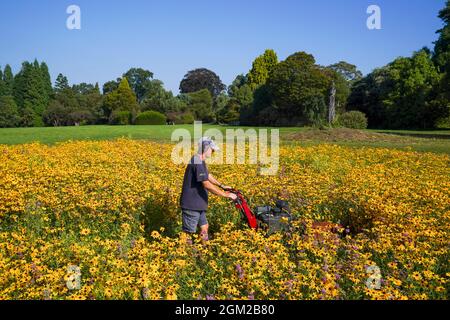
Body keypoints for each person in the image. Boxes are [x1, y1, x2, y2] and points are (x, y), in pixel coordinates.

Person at [180, 137, 237, 241]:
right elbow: (206, 184)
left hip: (199, 203)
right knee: (188, 233)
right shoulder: (197, 161)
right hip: (192, 204)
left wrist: (222, 186)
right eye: (212, 149)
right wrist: (225, 195)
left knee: (204, 227)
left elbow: (207, 175)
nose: (213, 151)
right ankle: (185, 252)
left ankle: (204, 251)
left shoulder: (200, 160)